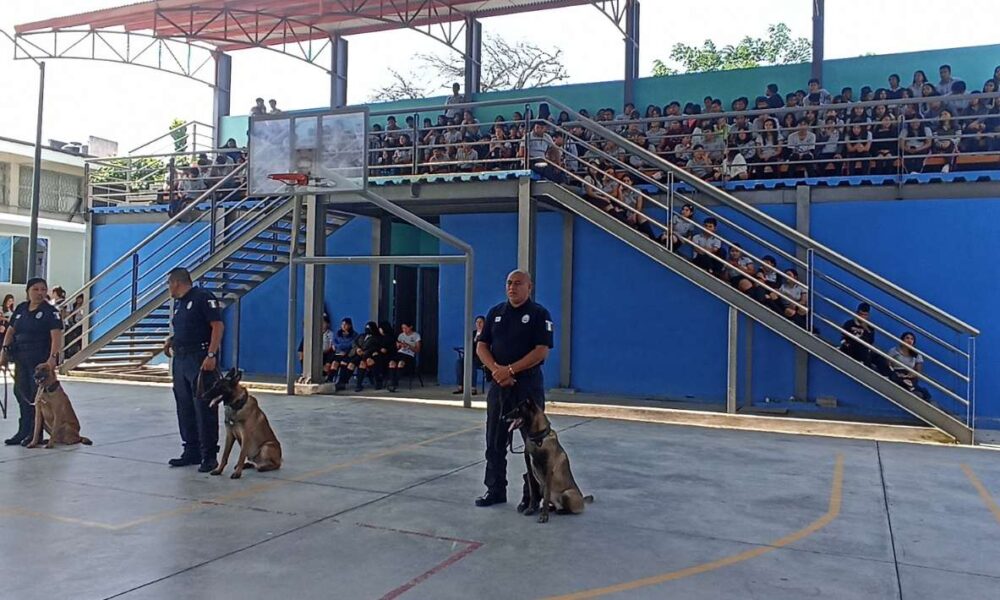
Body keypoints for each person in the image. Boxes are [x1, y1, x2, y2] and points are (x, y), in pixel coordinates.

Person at [475, 270, 554, 511]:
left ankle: (534, 494)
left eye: (518, 283)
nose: (512, 287)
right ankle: (495, 489)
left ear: (529, 287)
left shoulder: (539, 315)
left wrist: (510, 370)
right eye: (509, 283)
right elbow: (481, 346)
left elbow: (541, 351)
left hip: (527, 388)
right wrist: (498, 371)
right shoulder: (495, 313)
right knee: (494, 441)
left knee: (535, 444)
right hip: (500, 388)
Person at [162, 268, 223, 472]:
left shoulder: (202, 298)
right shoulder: (180, 304)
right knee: (184, 406)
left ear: (177, 282)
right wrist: (172, 341)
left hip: (200, 358)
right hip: (181, 360)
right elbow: (188, 329)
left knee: (204, 406)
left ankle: (209, 455)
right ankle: (191, 450)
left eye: (169, 283)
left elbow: (217, 326)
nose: (168, 288)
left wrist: (212, 355)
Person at [0, 278, 63, 447]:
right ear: (28, 291)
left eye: (43, 289)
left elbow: (56, 336)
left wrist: (53, 357)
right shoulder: (21, 309)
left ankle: (35, 433)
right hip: (21, 359)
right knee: (21, 393)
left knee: (37, 398)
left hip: (40, 363)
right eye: (36, 289)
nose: (40, 292)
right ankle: (23, 430)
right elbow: (10, 331)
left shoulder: (50, 312)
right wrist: (4, 351)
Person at [887, 332, 932, 401]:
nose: (909, 340)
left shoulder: (916, 354)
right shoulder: (894, 350)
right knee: (895, 378)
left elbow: (918, 369)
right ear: (902, 339)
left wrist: (913, 374)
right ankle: (911, 387)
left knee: (909, 382)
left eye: (912, 339)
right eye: (907, 338)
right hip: (897, 372)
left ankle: (916, 389)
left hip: (909, 374)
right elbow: (888, 363)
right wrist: (894, 371)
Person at [454, 315, 486, 396]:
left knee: (472, 364)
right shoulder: (473, 333)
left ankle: (473, 388)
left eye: (480, 322)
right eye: (477, 322)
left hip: (481, 358)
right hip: (471, 356)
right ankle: (461, 386)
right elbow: (468, 345)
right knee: (459, 362)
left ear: (484, 323)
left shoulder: (486, 333)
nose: (478, 324)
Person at [387, 321, 421, 392]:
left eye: (405, 328)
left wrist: (408, 346)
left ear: (410, 327)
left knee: (401, 363)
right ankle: (392, 382)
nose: (404, 330)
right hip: (400, 353)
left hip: (409, 355)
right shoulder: (401, 335)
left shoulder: (416, 335)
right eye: (402, 328)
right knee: (392, 363)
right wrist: (398, 346)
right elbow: (397, 347)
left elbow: (417, 350)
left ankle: (394, 383)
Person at [352, 321, 382, 392]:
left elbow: (375, 347)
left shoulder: (377, 337)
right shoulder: (361, 335)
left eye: (369, 328)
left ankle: (378, 381)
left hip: (372, 355)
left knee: (368, 361)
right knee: (360, 363)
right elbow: (354, 343)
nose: (367, 329)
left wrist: (365, 353)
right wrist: (357, 349)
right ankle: (358, 384)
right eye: (366, 328)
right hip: (360, 355)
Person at [331, 318, 359, 390]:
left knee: (344, 363)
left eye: (345, 324)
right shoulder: (338, 333)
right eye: (342, 324)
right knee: (334, 363)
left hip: (348, 354)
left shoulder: (354, 335)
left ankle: (342, 382)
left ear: (349, 325)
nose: (343, 326)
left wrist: (340, 346)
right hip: (338, 353)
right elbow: (334, 342)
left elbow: (351, 345)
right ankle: (330, 380)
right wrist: (340, 347)